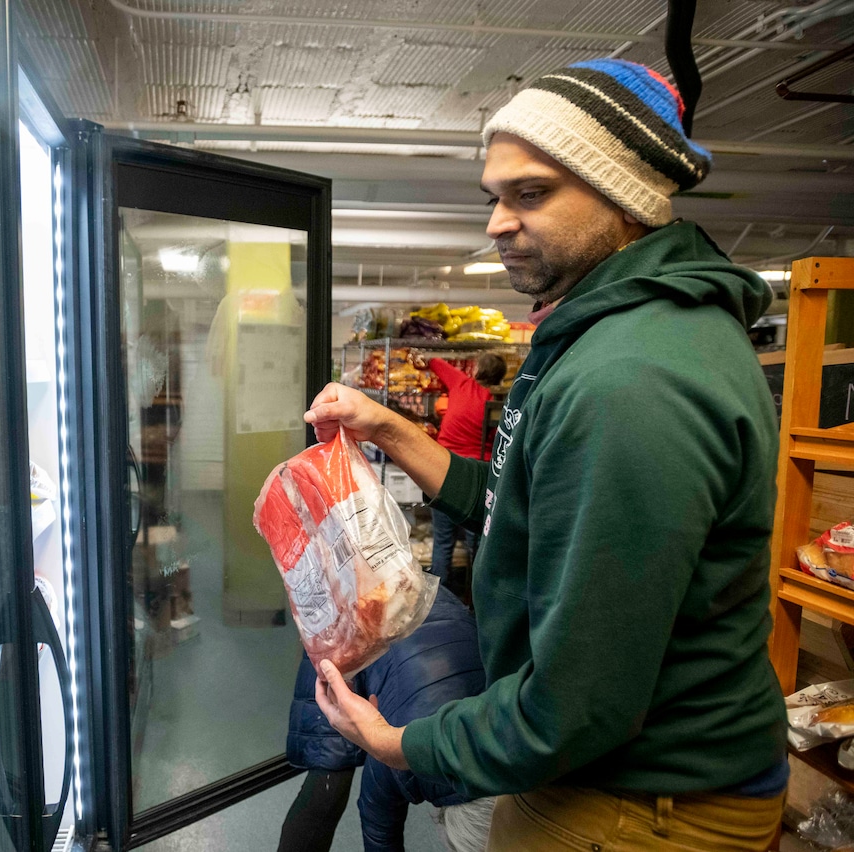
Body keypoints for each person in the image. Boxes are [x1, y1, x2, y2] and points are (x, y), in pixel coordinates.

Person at [303, 58, 788, 850]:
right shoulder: (613, 336)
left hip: (637, 806)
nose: (497, 222)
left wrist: (399, 743)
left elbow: (579, 702)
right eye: (496, 196)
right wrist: (386, 426)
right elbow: (517, 506)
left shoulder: (629, 379)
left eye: (531, 194)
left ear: (624, 196)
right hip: (627, 785)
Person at [277, 586, 493, 852]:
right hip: (345, 623)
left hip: (424, 597)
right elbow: (378, 821)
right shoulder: (406, 753)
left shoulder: (520, 751)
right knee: (328, 784)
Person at [427, 353, 508, 595]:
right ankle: (475, 600)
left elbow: (435, 362)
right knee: (477, 544)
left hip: (444, 469)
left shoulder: (462, 384)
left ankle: (439, 601)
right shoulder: (499, 401)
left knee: (443, 542)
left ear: (477, 370)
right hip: (478, 477)